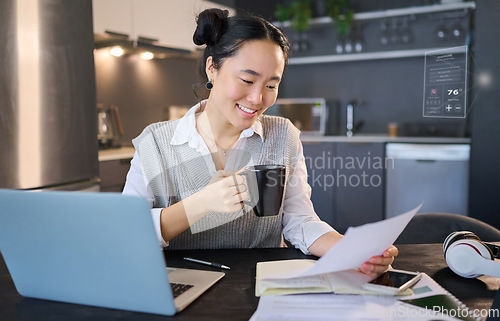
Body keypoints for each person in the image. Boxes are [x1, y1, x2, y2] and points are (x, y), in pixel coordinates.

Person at [122, 8, 397, 277]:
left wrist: (351, 250)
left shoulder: (283, 135)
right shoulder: (155, 143)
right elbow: (125, 233)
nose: (257, 99)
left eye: (270, 85)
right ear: (212, 69)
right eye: (247, 79)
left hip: (260, 288)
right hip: (178, 286)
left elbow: (300, 221)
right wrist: (201, 203)